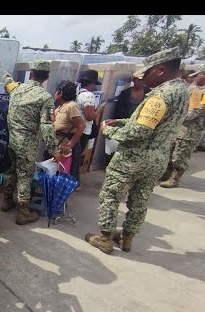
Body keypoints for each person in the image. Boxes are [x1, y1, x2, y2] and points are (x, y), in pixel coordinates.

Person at [85, 47, 189, 254]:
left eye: (147, 71)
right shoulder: (182, 92)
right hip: (158, 159)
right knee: (139, 200)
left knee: (111, 195)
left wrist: (109, 131)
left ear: (160, 70)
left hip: (133, 158)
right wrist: (123, 122)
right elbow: (156, 124)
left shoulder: (159, 96)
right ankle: (126, 238)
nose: (144, 76)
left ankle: (105, 238)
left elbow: (139, 132)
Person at [1, 60, 61, 225]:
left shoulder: (16, 89)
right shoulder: (45, 98)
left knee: (10, 170)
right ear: (47, 76)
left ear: (31, 73)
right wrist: (53, 150)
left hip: (10, 140)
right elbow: (47, 125)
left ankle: (7, 201)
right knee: (24, 176)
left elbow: (7, 82)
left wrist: (6, 74)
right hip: (26, 145)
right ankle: (23, 213)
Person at [160, 64, 205, 188]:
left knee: (181, 155)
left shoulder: (200, 92)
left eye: (198, 75)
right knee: (172, 151)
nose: (195, 78)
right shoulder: (193, 88)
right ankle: (167, 173)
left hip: (190, 130)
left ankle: (175, 178)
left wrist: (176, 117)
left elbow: (195, 112)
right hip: (180, 128)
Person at [104, 75, 151, 166]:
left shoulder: (149, 93)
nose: (140, 82)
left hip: (140, 124)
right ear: (134, 80)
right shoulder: (125, 93)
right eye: (138, 80)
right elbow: (118, 110)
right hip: (124, 123)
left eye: (142, 80)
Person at [76, 70, 106, 188]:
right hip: (83, 131)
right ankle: (74, 182)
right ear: (92, 83)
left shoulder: (78, 93)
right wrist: (100, 109)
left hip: (76, 129)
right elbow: (90, 117)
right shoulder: (89, 96)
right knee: (77, 158)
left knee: (74, 157)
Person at [53, 80, 86, 181]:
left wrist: (70, 145)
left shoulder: (71, 106)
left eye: (56, 91)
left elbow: (81, 126)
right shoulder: (60, 106)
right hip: (58, 142)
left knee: (63, 175)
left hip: (66, 145)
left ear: (60, 93)